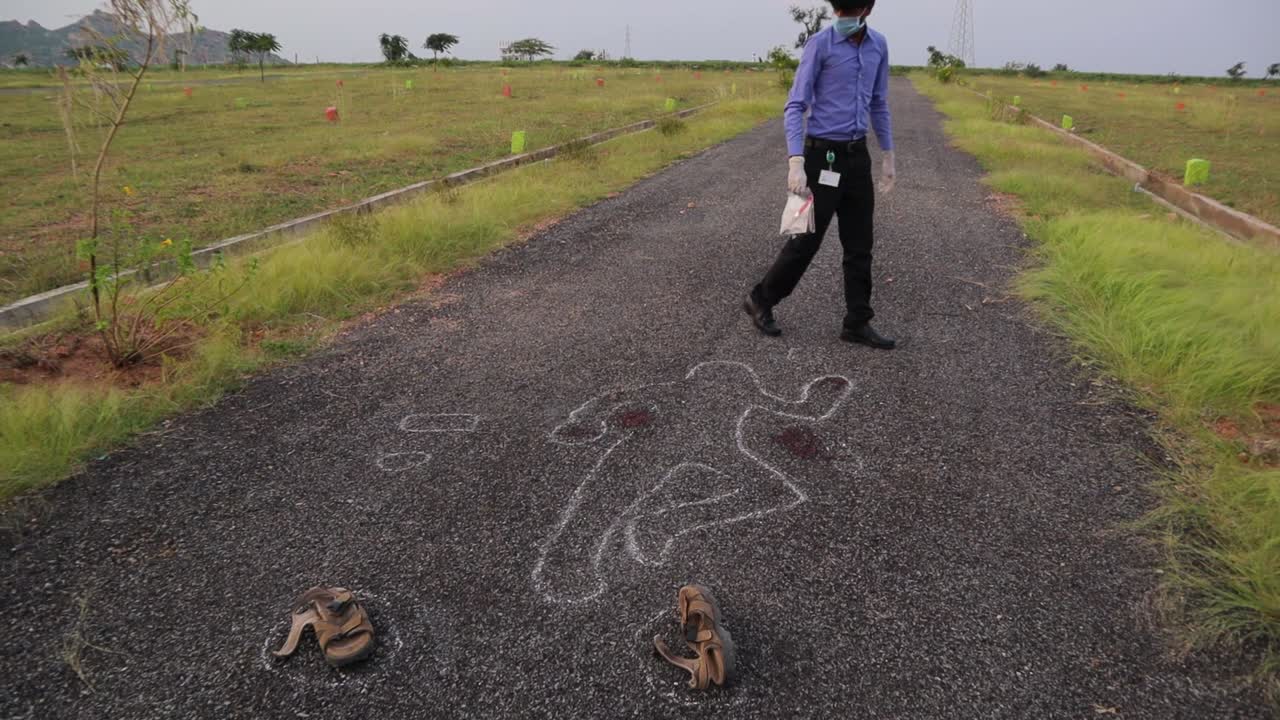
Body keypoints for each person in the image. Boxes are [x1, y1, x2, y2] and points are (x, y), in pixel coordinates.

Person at [743, 0, 897, 350]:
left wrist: (888, 154)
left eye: (851, 9)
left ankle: (857, 321)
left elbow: (878, 102)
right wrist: (795, 160)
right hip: (820, 157)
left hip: (857, 157)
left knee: (860, 245)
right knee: (805, 240)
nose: (843, 16)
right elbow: (796, 104)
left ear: (868, 9)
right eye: (840, 9)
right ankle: (761, 299)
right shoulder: (820, 45)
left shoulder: (879, 46)